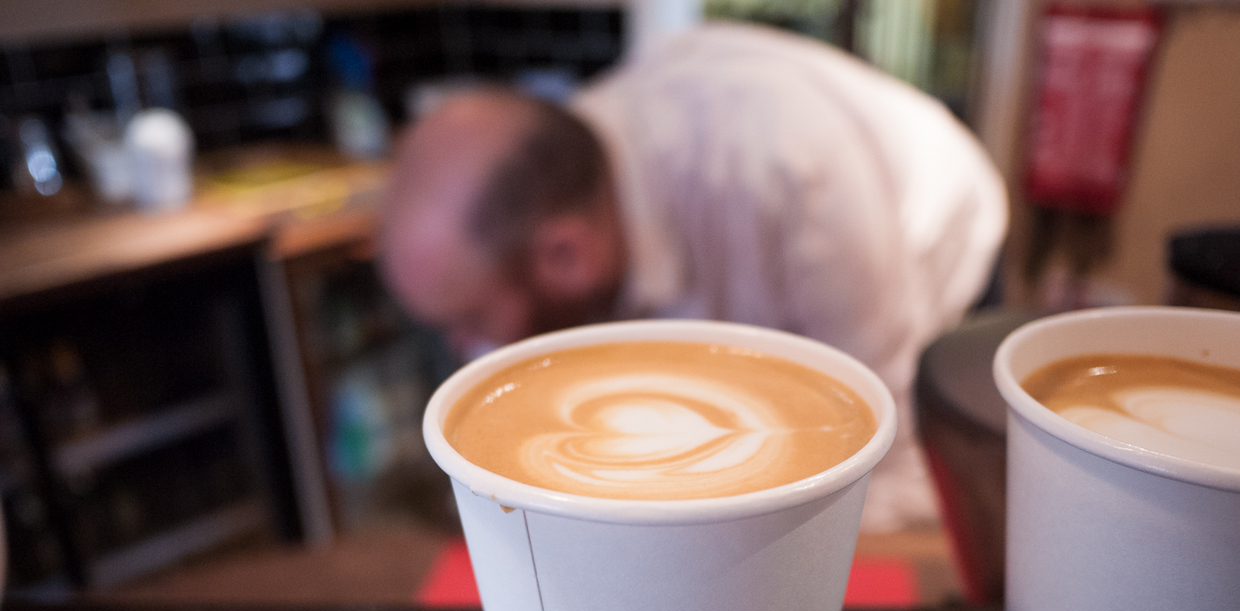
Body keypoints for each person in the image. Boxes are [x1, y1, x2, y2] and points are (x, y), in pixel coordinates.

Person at [381, 21, 1008, 531]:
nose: (465, 349)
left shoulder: (794, 181)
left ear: (566, 256)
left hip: (932, 230)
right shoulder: (569, 186)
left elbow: (890, 465)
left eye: (469, 321)